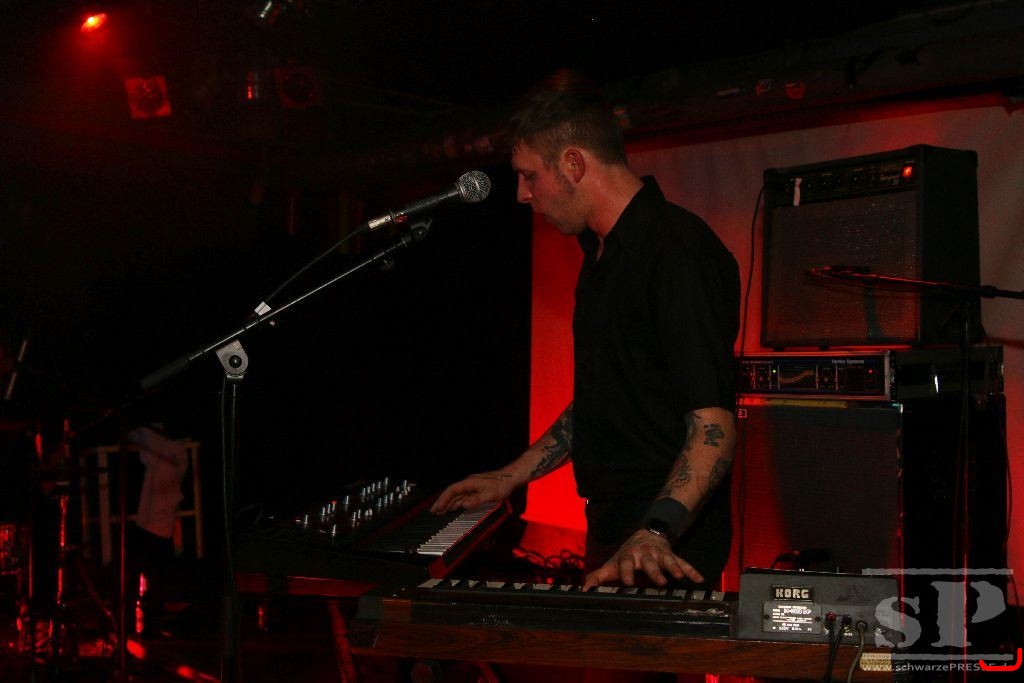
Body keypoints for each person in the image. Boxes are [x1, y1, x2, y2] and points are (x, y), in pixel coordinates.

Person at [431, 70, 740, 591]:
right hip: (618, 527)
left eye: (529, 176)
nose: (522, 195)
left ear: (573, 164)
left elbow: (715, 425)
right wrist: (512, 475)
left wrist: (656, 531)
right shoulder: (601, 257)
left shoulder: (677, 253)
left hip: (664, 538)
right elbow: (605, 401)